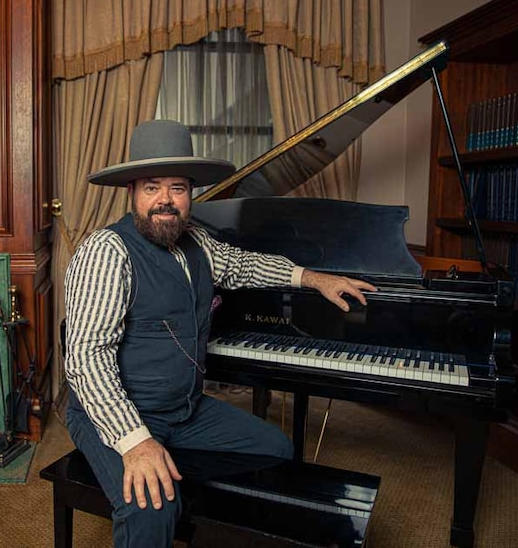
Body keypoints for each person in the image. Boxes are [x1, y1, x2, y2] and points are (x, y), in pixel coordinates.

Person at [64, 119, 375, 547]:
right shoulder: (106, 251)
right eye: (152, 187)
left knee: (275, 450)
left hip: (185, 411)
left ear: (191, 193)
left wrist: (313, 278)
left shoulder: (199, 244)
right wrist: (136, 443)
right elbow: (86, 359)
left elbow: (247, 266)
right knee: (152, 507)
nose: (165, 201)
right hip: (116, 416)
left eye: (177, 188)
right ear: (131, 192)